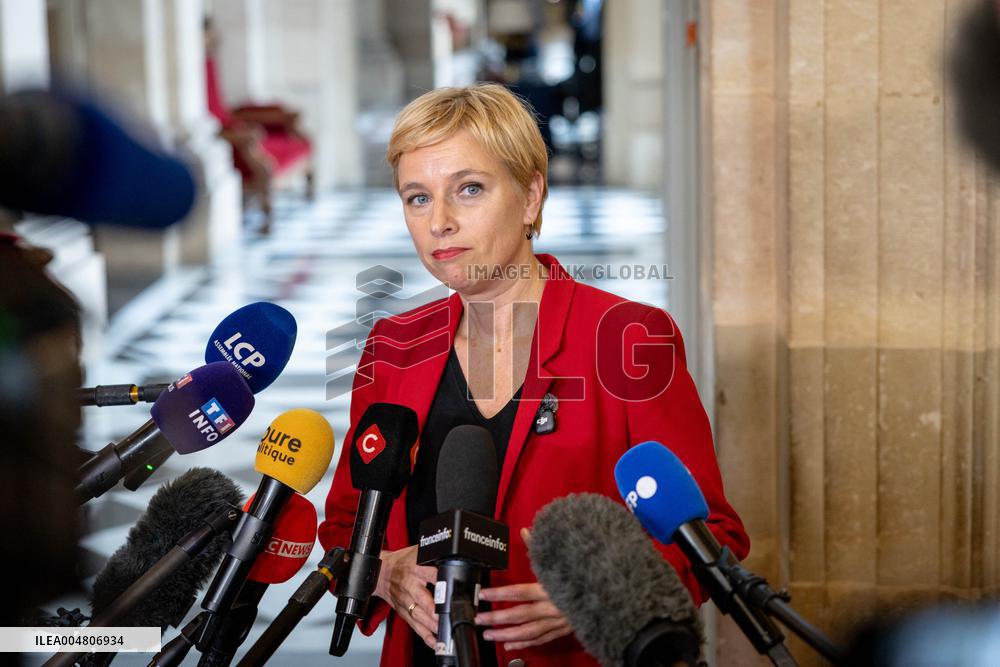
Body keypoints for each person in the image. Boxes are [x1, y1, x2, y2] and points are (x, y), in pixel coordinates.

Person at [318, 83, 749, 666]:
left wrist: (602, 597)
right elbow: (348, 522)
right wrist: (383, 572)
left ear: (530, 196)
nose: (439, 222)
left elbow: (713, 535)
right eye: (417, 198)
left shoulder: (627, 338)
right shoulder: (393, 346)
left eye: (468, 189)